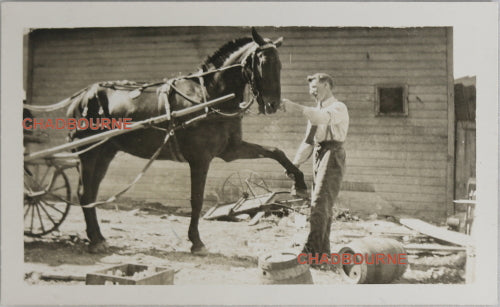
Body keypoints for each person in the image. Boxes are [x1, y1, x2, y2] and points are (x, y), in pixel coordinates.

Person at [282, 73, 349, 257]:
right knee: (320, 205)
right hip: (319, 154)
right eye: (310, 89)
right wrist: (294, 164)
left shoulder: (338, 107)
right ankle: (322, 253)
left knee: (320, 203)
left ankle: (311, 253)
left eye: (315, 88)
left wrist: (295, 107)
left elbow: (322, 118)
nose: (312, 92)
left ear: (327, 85)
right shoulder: (315, 111)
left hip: (333, 153)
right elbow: (309, 142)